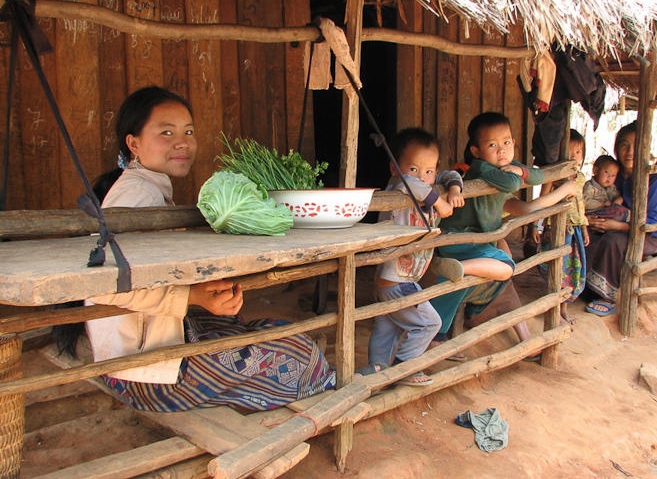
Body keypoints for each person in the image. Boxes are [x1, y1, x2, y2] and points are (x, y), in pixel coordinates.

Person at [72, 86, 337, 412]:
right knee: (299, 354)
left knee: (269, 330)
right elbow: (105, 288)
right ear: (134, 144)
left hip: (142, 356)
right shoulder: (138, 197)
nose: (182, 141)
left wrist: (201, 292)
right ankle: (324, 387)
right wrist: (192, 296)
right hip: (144, 375)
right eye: (166, 132)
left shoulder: (147, 189)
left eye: (188, 131)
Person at [428, 112, 577, 357]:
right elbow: (511, 185)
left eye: (507, 142)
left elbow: (532, 194)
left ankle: (524, 343)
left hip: (473, 245)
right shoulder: (482, 169)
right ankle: (462, 268)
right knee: (507, 265)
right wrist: (519, 174)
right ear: (476, 151)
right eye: (492, 144)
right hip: (459, 240)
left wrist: (563, 189)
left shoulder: (504, 174)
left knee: (501, 275)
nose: (502, 150)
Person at [371, 128, 463, 386]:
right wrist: (440, 202)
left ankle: (377, 374)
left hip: (396, 281)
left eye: (429, 171)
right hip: (396, 281)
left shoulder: (429, 182)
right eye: (414, 168)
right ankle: (404, 369)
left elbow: (450, 174)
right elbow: (410, 183)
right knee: (429, 322)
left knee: (387, 330)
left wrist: (454, 189)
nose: (422, 177)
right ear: (394, 168)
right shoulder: (397, 187)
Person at [585, 121, 657, 316]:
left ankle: (607, 296)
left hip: (645, 235)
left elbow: (653, 222)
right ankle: (584, 287)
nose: (629, 151)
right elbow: (596, 200)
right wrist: (593, 221)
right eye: (624, 144)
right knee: (588, 237)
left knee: (613, 241)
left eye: (636, 145)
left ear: (646, 147)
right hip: (611, 227)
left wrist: (617, 226)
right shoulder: (614, 175)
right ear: (616, 148)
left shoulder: (653, 179)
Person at [539, 130, 589, 325]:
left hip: (574, 229)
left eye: (578, 152)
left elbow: (580, 203)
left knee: (572, 271)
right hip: (555, 229)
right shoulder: (554, 177)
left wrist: (584, 227)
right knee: (557, 270)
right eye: (569, 151)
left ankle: (564, 307)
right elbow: (542, 201)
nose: (573, 156)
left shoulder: (580, 178)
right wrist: (536, 226)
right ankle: (553, 308)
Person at [583, 155, 629, 224]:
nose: (609, 177)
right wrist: (602, 204)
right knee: (617, 212)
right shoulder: (590, 186)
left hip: (607, 213)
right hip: (593, 213)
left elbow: (616, 196)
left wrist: (618, 200)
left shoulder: (611, 187)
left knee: (618, 209)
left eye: (613, 175)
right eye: (606, 172)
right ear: (595, 170)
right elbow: (585, 202)